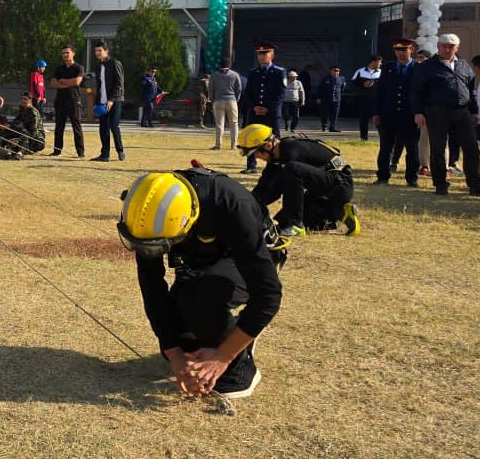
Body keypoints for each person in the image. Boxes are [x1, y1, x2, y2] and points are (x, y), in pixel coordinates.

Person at [119, 169, 284, 401]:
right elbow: (152, 288)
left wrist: (223, 356)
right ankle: (230, 333)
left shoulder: (232, 205)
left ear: (186, 222)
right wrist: (175, 355)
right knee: (183, 331)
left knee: (201, 299)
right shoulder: (146, 218)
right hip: (205, 257)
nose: (150, 253)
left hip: (250, 256)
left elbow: (268, 296)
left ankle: (240, 368)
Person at [411, 34, 480, 198]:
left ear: (457, 48)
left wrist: (475, 111)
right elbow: (415, 92)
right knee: (438, 149)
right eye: (444, 46)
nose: (447, 49)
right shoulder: (427, 66)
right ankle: (441, 185)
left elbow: (470, 90)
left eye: (451, 46)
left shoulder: (463, 65)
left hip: (462, 111)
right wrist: (418, 112)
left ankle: (475, 186)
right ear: (438, 47)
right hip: (437, 111)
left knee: (471, 148)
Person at [239, 124, 359, 237]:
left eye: (256, 153)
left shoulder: (293, 150)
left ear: (268, 146)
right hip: (323, 192)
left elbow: (277, 188)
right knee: (281, 222)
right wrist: (244, 207)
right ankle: (340, 212)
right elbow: (263, 190)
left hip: (339, 186)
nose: (257, 158)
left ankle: (295, 225)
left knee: (292, 170)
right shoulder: (277, 159)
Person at [373, 38, 421, 187]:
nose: (401, 54)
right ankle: (383, 176)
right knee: (386, 147)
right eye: (398, 51)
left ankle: (412, 178)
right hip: (389, 114)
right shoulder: (388, 68)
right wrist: (376, 113)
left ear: (411, 50)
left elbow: (422, 92)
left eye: (404, 50)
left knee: (412, 148)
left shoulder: (418, 68)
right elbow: (379, 92)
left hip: (410, 115)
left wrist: (420, 112)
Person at [241, 42, 286, 175]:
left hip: (271, 113)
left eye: (265, 53)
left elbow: (281, 93)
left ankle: (274, 166)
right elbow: (247, 92)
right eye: (259, 54)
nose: (261, 56)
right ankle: (251, 166)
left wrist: (268, 108)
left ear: (272, 54)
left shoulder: (279, 72)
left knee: (274, 139)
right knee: (251, 138)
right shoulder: (253, 72)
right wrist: (254, 106)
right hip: (255, 112)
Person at [90, 40, 125, 162]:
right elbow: (99, 85)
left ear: (106, 51)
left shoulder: (115, 63)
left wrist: (111, 100)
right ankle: (105, 154)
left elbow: (119, 83)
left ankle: (120, 150)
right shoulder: (98, 66)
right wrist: (97, 101)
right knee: (103, 127)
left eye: (100, 50)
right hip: (102, 101)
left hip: (115, 100)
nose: (97, 53)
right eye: (96, 51)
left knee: (114, 125)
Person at [48, 44, 85, 157]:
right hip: (60, 101)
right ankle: (57, 151)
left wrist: (62, 81)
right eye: (63, 53)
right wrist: (67, 83)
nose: (65, 55)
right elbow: (53, 83)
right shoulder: (59, 69)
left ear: (73, 53)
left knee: (76, 126)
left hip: (74, 101)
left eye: (67, 53)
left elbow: (77, 82)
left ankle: (80, 152)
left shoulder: (79, 68)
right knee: (59, 127)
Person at [209, 58, 241, 150]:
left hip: (218, 100)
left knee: (219, 124)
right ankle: (233, 145)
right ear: (229, 65)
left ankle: (218, 145)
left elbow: (211, 89)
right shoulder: (235, 75)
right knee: (234, 123)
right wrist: (236, 99)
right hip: (231, 100)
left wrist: (212, 100)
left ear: (220, 65)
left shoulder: (214, 75)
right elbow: (239, 89)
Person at [351, 55, 383, 141]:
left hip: (377, 100)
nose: (380, 64)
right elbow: (353, 84)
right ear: (373, 62)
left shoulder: (381, 72)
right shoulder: (360, 71)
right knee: (363, 119)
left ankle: (383, 138)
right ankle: (363, 138)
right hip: (363, 100)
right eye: (379, 62)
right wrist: (363, 85)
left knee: (379, 119)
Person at [413, 48, 433, 177]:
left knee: (441, 140)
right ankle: (424, 165)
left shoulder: (433, 70)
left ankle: (444, 166)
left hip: (436, 109)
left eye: (422, 58)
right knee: (423, 139)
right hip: (422, 111)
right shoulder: (414, 70)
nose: (419, 60)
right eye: (418, 57)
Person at [316, 66, 345, 133]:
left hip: (336, 99)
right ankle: (324, 125)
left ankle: (332, 127)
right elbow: (320, 89)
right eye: (335, 70)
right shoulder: (325, 79)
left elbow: (342, 88)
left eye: (337, 71)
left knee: (335, 114)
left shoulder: (341, 79)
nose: (336, 72)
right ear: (331, 71)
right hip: (326, 99)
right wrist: (318, 97)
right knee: (324, 113)